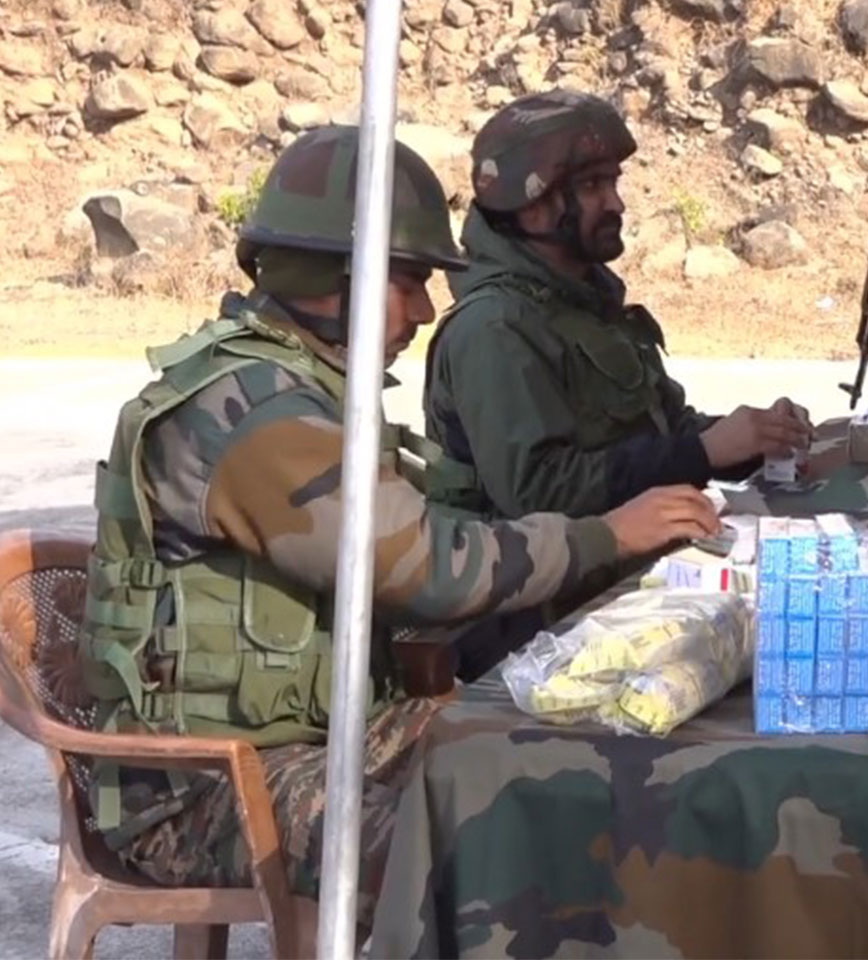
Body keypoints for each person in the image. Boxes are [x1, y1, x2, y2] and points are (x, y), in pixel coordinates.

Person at [77, 125, 719, 922]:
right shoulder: (249, 413)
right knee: (487, 847)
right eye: (407, 281)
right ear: (335, 280)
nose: (423, 308)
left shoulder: (304, 389)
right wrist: (605, 536)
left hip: (312, 737)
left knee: (558, 754)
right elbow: (425, 567)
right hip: (204, 785)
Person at [424, 90, 812, 678]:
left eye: (613, 182)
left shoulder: (580, 301)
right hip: (536, 633)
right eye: (591, 188)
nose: (616, 203)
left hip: (613, 597)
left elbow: (656, 428)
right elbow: (536, 493)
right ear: (532, 208)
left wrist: (748, 438)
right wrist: (700, 450)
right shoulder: (494, 328)